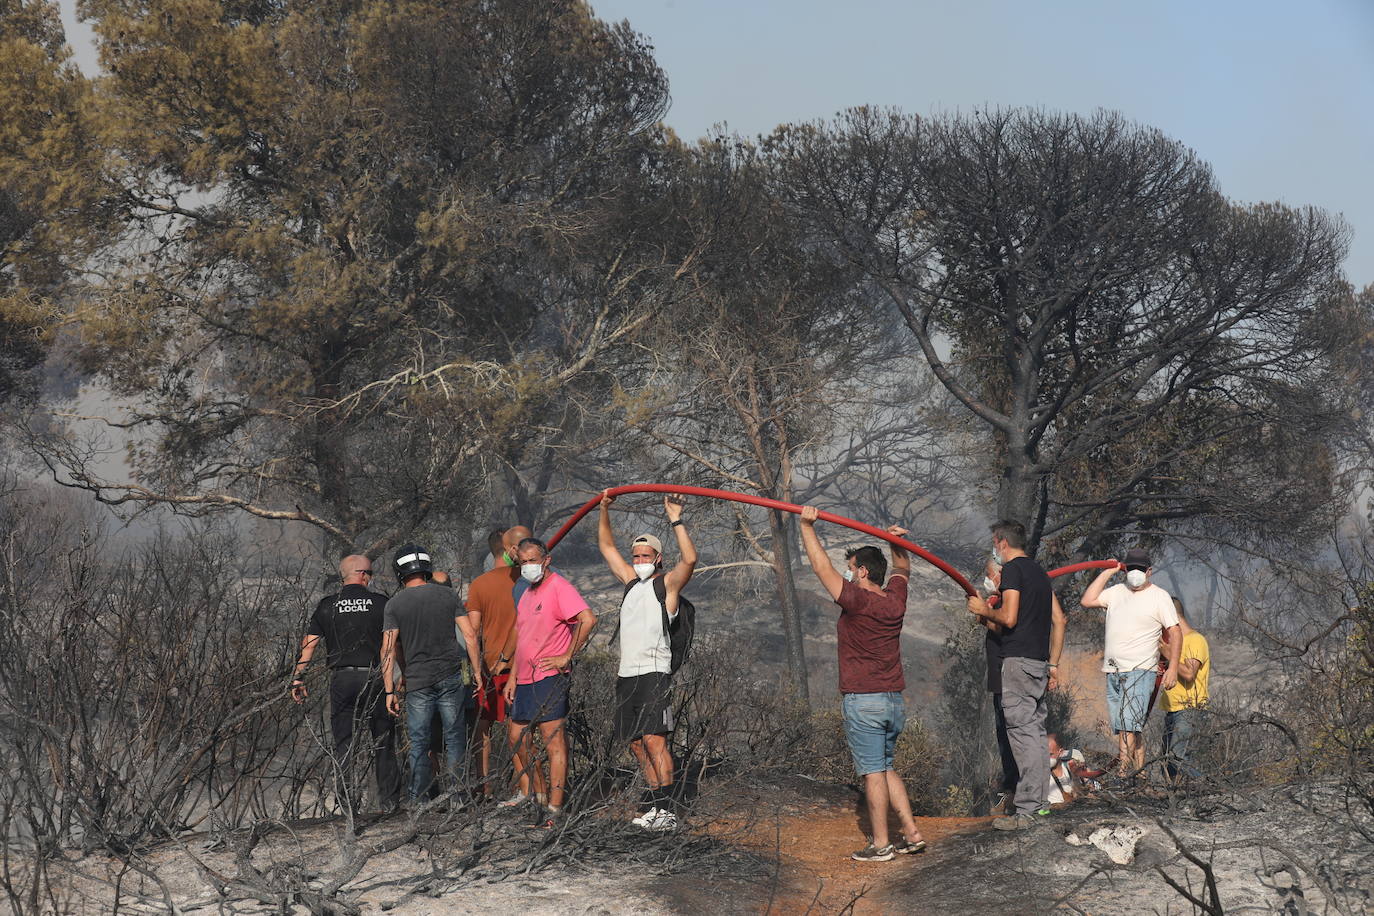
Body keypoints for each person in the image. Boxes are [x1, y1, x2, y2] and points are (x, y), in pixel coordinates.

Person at [798, 506, 927, 862]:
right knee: (885, 767)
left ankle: (881, 844)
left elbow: (821, 568)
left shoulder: (858, 601)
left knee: (873, 773)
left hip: (864, 701)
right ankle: (912, 833)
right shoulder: (894, 601)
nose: (848, 573)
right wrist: (897, 543)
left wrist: (807, 525)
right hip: (892, 702)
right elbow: (902, 568)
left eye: (851, 568)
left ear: (863, 571)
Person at [597, 490, 698, 831]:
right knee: (637, 744)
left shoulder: (666, 586)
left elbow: (690, 560)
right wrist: (604, 509)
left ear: (658, 558)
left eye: (646, 555)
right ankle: (655, 805)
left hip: (654, 673)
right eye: (636, 555)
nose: (640, 560)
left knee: (655, 741)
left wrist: (675, 518)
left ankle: (667, 810)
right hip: (627, 675)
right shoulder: (630, 584)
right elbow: (606, 547)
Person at [966, 520, 1067, 830]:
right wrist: (1052, 663)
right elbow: (1057, 620)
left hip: (1018, 663)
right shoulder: (1039, 573)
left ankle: (1027, 810)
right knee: (1034, 735)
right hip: (1037, 663)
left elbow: (1009, 618)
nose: (995, 549)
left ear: (1002, 542)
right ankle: (1039, 806)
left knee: (1023, 737)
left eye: (994, 544)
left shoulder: (1012, 570)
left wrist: (983, 610)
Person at [291, 555, 401, 814]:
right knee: (383, 740)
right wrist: (392, 687)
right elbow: (390, 649)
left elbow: (309, 645)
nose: (371, 578)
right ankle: (389, 804)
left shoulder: (328, 605)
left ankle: (347, 806)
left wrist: (298, 677)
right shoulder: (381, 603)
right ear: (362, 574)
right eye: (370, 573)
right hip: (375, 678)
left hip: (342, 679)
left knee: (344, 743)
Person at [502, 537, 598, 826]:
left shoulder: (559, 587)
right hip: (524, 678)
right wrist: (512, 677)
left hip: (549, 677)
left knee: (553, 741)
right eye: (523, 562)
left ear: (546, 560)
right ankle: (539, 797)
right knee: (517, 736)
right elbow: (522, 636)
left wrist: (566, 656)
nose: (527, 566)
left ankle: (555, 809)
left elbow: (588, 619)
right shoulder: (527, 592)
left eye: (532, 560)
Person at [381, 544, 484, 804]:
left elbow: (388, 650)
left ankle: (419, 800)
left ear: (400, 572)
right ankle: (457, 797)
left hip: (417, 682)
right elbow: (470, 636)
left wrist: (389, 690)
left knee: (419, 741)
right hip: (451, 675)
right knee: (455, 737)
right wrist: (476, 672)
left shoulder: (394, 604)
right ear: (426, 567)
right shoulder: (447, 595)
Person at [1081, 548, 1181, 781]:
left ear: (1149, 571)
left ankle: (1123, 774)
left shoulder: (1159, 596)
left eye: (1140, 569)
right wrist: (1108, 571)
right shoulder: (1116, 592)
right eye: (1130, 568)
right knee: (1129, 726)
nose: (1135, 572)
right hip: (1114, 670)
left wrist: (1173, 668)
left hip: (1141, 670)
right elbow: (1087, 600)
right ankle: (1141, 773)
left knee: (1128, 725)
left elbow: (1175, 632)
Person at [466, 526, 528, 798]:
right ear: (510, 550)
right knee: (521, 730)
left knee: (483, 729)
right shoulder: (527, 581)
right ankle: (524, 788)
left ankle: (484, 788)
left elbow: (472, 632)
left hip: (489, 668)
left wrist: (473, 669)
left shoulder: (480, 585)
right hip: (525, 666)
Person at [979, 556, 1019, 814]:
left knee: (1012, 737)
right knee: (1004, 736)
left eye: (990, 574)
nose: (988, 580)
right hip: (999, 680)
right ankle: (1011, 792)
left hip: (1009, 679)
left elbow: (1005, 627)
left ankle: (1018, 793)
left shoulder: (1011, 600)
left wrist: (984, 613)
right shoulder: (999, 599)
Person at [1159, 597, 1210, 785]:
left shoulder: (1195, 640)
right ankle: (1177, 796)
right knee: (1166, 763)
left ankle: (1209, 785)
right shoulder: (1172, 643)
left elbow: (1189, 673)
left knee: (1177, 756)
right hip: (1172, 710)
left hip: (1189, 708)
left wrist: (1168, 655)